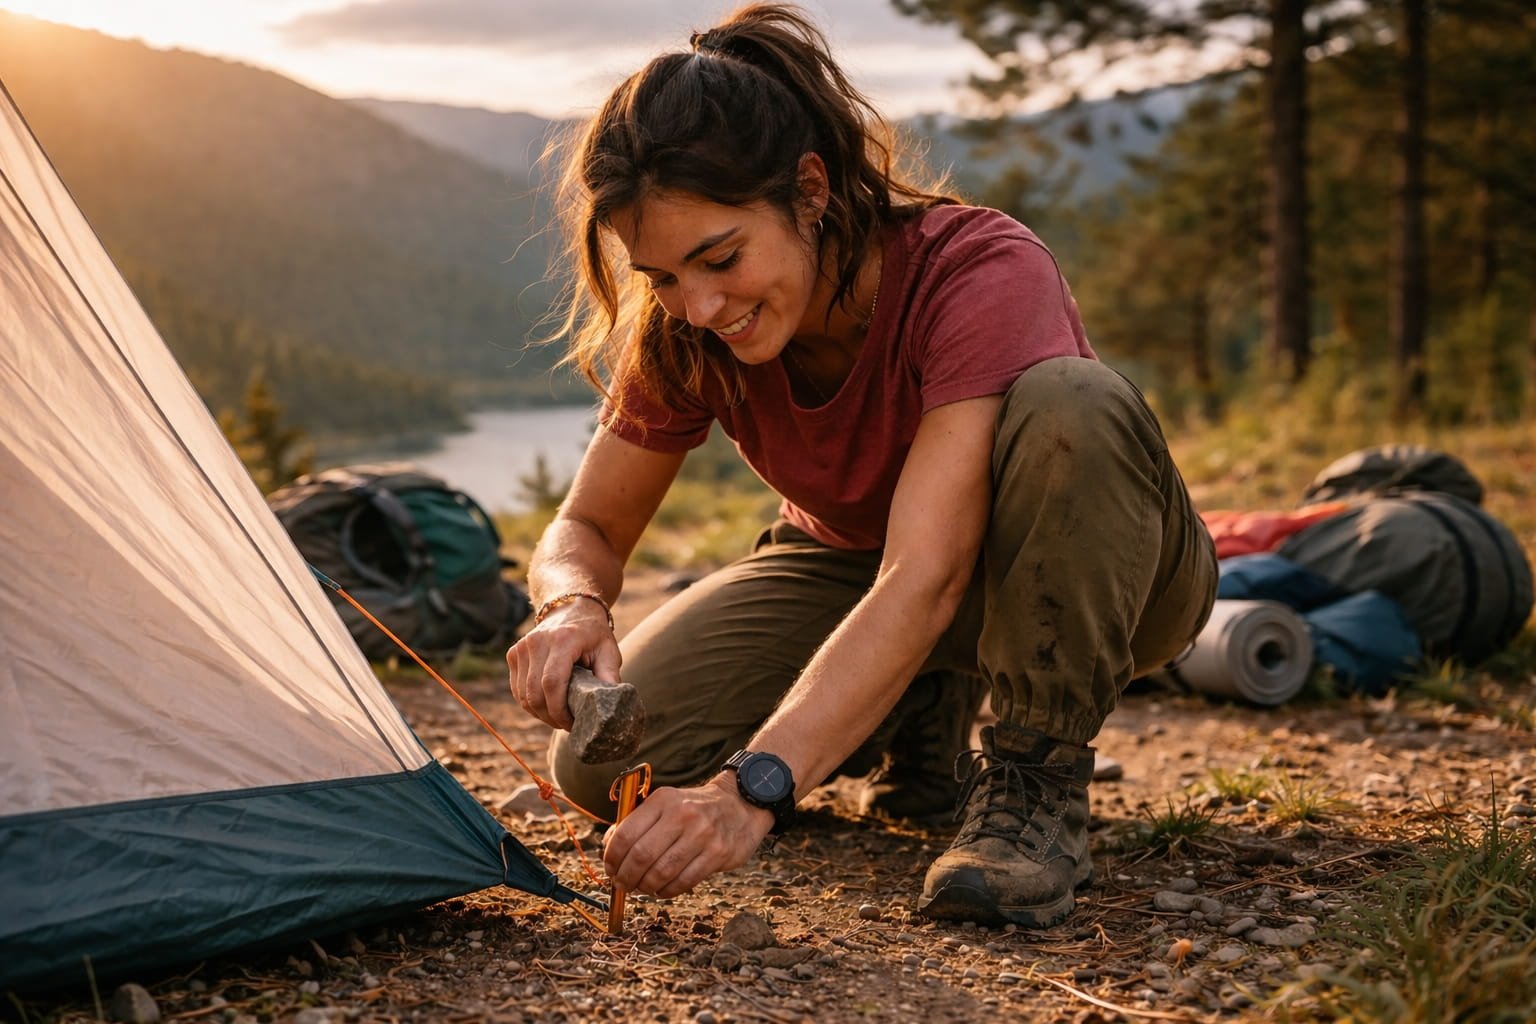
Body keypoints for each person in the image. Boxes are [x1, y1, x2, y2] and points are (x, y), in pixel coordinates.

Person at [505, 2, 1217, 929]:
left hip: (1091, 575)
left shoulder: (976, 270)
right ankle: (916, 713)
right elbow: (588, 527)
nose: (700, 304)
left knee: (1072, 402)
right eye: (664, 277)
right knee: (602, 773)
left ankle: (1036, 780)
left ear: (811, 189)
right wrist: (572, 602)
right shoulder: (685, 330)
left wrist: (750, 790)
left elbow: (929, 573)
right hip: (855, 562)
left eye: (720, 257)